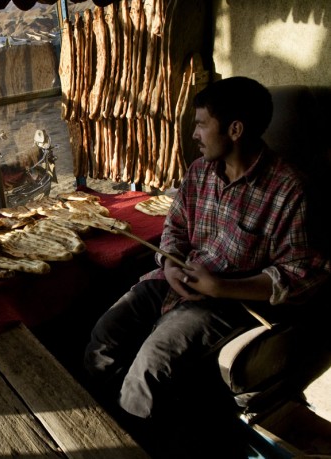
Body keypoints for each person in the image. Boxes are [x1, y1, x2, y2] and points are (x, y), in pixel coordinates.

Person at [83, 77, 330, 458]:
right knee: (103, 339)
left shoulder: (289, 190)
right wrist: (168, 267)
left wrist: (221, 289)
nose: (194, 133)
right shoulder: (199, 172)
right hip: (173, 282)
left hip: (229, 302)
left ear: (235, 129)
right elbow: (175, 228)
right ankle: (107, 434)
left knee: (150, 369)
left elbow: (301, 276)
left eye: (201, 124)